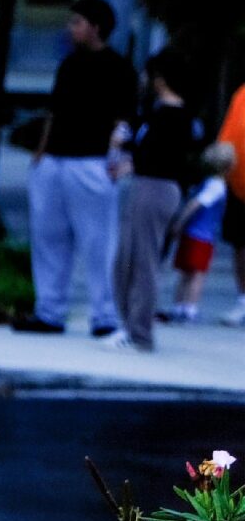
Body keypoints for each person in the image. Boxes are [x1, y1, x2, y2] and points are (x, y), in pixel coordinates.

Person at [15, 0, 135, 338]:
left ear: (96, 27)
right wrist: (41, 153)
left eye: (78, 23)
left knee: (99, 242)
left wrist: (118, 158)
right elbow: (53, 111)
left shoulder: (119, 68)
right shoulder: (69, 64)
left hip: (91, 161)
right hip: (55, 159)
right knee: (48, 236)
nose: (71, 29)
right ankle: (49, 311)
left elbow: (124, 118)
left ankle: (105, 315)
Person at [105, 53, 202, 354]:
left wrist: (129, 153)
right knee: (127, 260)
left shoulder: (174, 117)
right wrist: (131, 161)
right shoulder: (158, 114)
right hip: (147, 185)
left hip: (157, 189)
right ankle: (129, 325)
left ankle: (140, 333)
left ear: (161, 79)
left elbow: (165, 157)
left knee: (143, 261)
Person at [164, 141, 233, 324]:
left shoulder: (204, 183)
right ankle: (190, 309)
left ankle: (178, 306)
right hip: (202, 237)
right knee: (197, 274)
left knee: (185, 273)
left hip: (191, 234)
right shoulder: (217, 186)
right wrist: (180, 221)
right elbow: (197, 204)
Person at [216, 81, 245, 327]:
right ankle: (243, 300)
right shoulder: (242, 95)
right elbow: (227, 137)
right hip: (238, 182)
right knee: (241, 244)